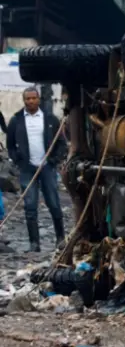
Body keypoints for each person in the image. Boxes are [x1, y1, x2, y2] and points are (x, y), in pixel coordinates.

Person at [7, 87, 66, 252]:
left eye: (34, 98)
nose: (31, 101)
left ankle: (60, 238)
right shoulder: (16, 120)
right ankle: (34, 244)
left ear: (38, 99)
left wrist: (53, 160)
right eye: (28, 99)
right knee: (30, 206)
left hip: (47, 167)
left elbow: (61, 143)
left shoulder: (50, 119)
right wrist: (18, 160)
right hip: (27, 169)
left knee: (54, 203)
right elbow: (10, 145)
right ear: (24, 100)